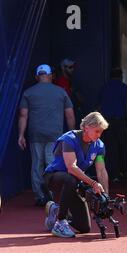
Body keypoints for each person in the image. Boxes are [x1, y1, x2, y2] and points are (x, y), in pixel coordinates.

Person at [43, 112, 109, 238]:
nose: (99, 135)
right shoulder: (69, 139)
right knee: (71, 178)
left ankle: (56, 210)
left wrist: (104, 196)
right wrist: (93, 183)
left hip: (74, 183)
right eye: (97, 131)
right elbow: (71, 168)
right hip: (54, 178)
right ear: (87, 127)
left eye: (101, 132)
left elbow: (101, 171)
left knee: (84, 227)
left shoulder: (99, 146)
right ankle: (60, 223)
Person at [18, 64, 76, 207]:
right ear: (51, 75)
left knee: (36, 165)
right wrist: (73, 134)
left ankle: (39, 196)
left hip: (35, 133)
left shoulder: (28, 92)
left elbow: (23, 115)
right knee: (52, 164)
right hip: (54, 134)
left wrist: (21, 135)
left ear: (37, 76)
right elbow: (69, 114)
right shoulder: (61, 92)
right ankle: (51, 196)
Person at [98, 68, 127, 182]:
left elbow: (99, 107)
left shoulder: (104, 88)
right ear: (120, 76)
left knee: (110, 148)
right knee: (126, 148)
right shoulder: (124, 88)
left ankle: (113, 175)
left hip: (107, 122)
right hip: (121, 121)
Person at [54, 58, 85, 127]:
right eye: (70, 67)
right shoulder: (58, 83)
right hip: (63, 117)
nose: (73, 69)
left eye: (73, 67)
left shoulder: (72, 82)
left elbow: (81, 100)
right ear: (63, 68)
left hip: (74, 115)